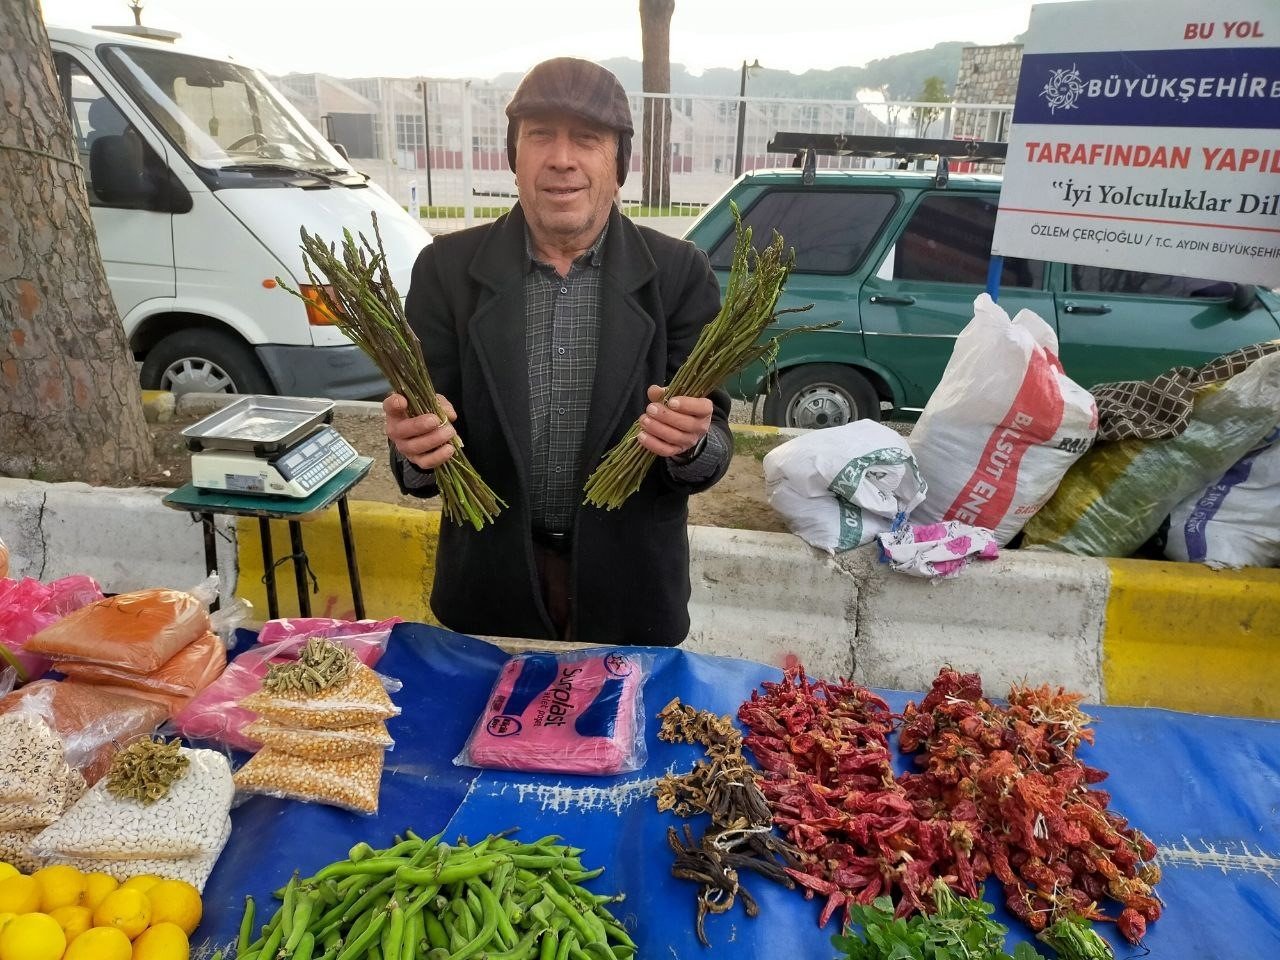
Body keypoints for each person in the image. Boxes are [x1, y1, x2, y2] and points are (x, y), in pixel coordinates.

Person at [384, 57, 733, 647]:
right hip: (488, 587)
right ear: (514, 156)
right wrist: (414, 451)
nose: (562, 159)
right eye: (540, 135)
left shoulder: (677, 275)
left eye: (587, 139)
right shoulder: (447, 271)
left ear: (618, 163)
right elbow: (418, 459)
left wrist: (692, 443)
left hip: (631, 593)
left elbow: (715, 447)